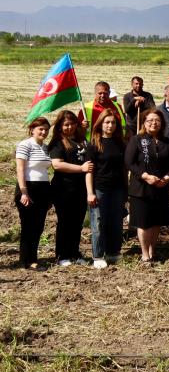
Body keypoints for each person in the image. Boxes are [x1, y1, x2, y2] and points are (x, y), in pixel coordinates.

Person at [125, 108, 169, 265]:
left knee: (156, 221)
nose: (154, 123)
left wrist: (167, 177)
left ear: (162, 123)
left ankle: (153, 251)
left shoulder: (168, 142)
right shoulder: (137, 140)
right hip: (141, 188)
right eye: (150, 120)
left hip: (161, 187)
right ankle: (145, 255)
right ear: (144, 123)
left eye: (157, 120)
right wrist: (145, 176)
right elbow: (129, 162)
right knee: (144, 222)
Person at [47, 110, 92, 267]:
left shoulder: (81, 140)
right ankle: (62, 255)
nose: (69, 127)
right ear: (60, 126)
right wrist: (81, 168)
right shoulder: (57, 142)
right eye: (66, 125)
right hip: (63, 189)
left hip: (80, 189)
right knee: (65, 222)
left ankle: (74, 252)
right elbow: (57, 164)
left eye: (72, 124)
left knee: (77, 222)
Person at [85, 108, 128, 269]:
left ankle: (113, 252)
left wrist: (126, 189)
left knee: (116, 221)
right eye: (107, 122)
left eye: (113, 123)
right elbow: (89, 171)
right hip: (99, 189)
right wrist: (90, 192)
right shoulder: (94, 145)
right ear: (100, 124)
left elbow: (124, 169)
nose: (110, 125)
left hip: (117, 189)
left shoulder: (120, 144)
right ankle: (98, 255)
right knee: (99, 222)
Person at [15, 118, 52, 270]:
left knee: (38, 226)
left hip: (43, 189)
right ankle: (24, 260)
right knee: (28, 225)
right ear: (32, 130)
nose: (44, 132)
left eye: (46, 129)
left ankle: (33, 258)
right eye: (40, 129)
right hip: (28, 188)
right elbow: (20, 169)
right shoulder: (25, 145)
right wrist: (23, 191)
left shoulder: (45, 147)